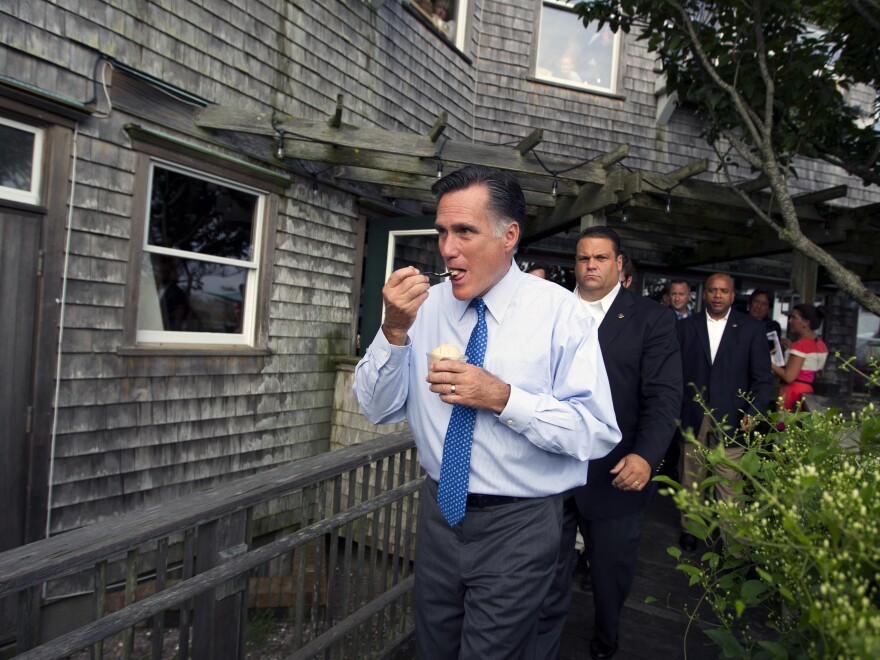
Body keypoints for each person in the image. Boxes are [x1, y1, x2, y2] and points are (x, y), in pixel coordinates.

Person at [354, 165, 621, 659]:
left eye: (465, 232)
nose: (447, 249)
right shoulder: (423, 309)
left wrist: (503, 398)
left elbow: (597, 432)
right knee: (433, 648)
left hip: (520, 524)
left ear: (508, 236)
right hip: (439, 515)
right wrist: (392, 331)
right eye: (442, 232)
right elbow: (375, 407)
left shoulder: (561, 315)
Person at [540, 226, 682, 660]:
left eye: (601, 258)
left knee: (609, 575)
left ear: (619, 265)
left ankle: (606, 643)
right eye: (583, 258)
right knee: (544, 573)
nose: (591, 266)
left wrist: (647, 455)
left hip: (616, 472)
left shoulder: (651, 319)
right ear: (574, 264)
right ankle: (542, 645)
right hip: (550, 469)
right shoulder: (552, 310)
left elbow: (664, 395)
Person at [676, 273, 773, 551]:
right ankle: (691, 529)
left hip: (734, 415)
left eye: (724, 291)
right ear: (703, 294)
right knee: (691, 477)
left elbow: (763, 379)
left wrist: (754, 411)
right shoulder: (686, 327)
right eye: (713, 290)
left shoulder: (751, 329)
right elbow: (676, 374)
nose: (718, 295)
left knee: (730, 481)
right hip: (693, 414)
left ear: (733, 295)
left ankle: (734, 543)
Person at [772, 304, 828, 411]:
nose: (790, 321)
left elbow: (789, 377)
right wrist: (791, 349)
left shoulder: (800, 345)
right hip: (808, 391)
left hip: (793, 392)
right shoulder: (821, 344)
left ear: (806, 323)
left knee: (785, 425)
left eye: (794, 317)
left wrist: (768, 360)